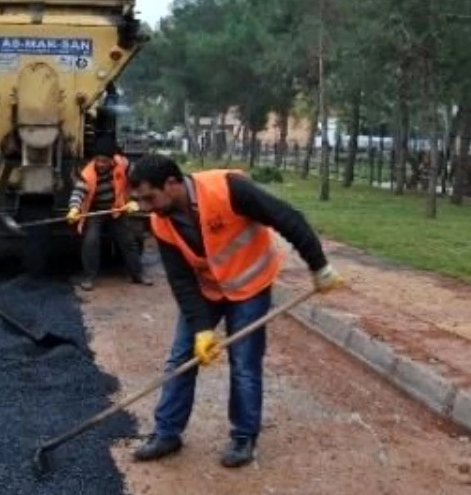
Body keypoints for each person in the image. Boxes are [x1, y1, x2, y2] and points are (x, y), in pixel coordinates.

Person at [126, 153, 346, 468]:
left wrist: (319, 267)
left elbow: (288, 217)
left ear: (172, 183)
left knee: (244, 361)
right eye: (140, 200)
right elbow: (181, 281)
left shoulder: (228, 188)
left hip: (250, 285)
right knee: (181, 358)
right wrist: (202, 329)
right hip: (208, 290)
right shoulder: (160, 223)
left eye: (150, 197)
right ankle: (167, 433)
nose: (147, 206)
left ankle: (244, 437)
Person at [66, 134, 151, 290]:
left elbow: (138, 182)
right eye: (98, 160)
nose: (100, 164)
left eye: (104, 161)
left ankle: (138, 274)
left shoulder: (124, 165)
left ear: (112, 159)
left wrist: (136, 200)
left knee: (128, 241)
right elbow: (78, 192)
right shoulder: (87, 174)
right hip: (95, 211)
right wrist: (74, 208)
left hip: (117, 209)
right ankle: (89, 277)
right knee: (90, 241)